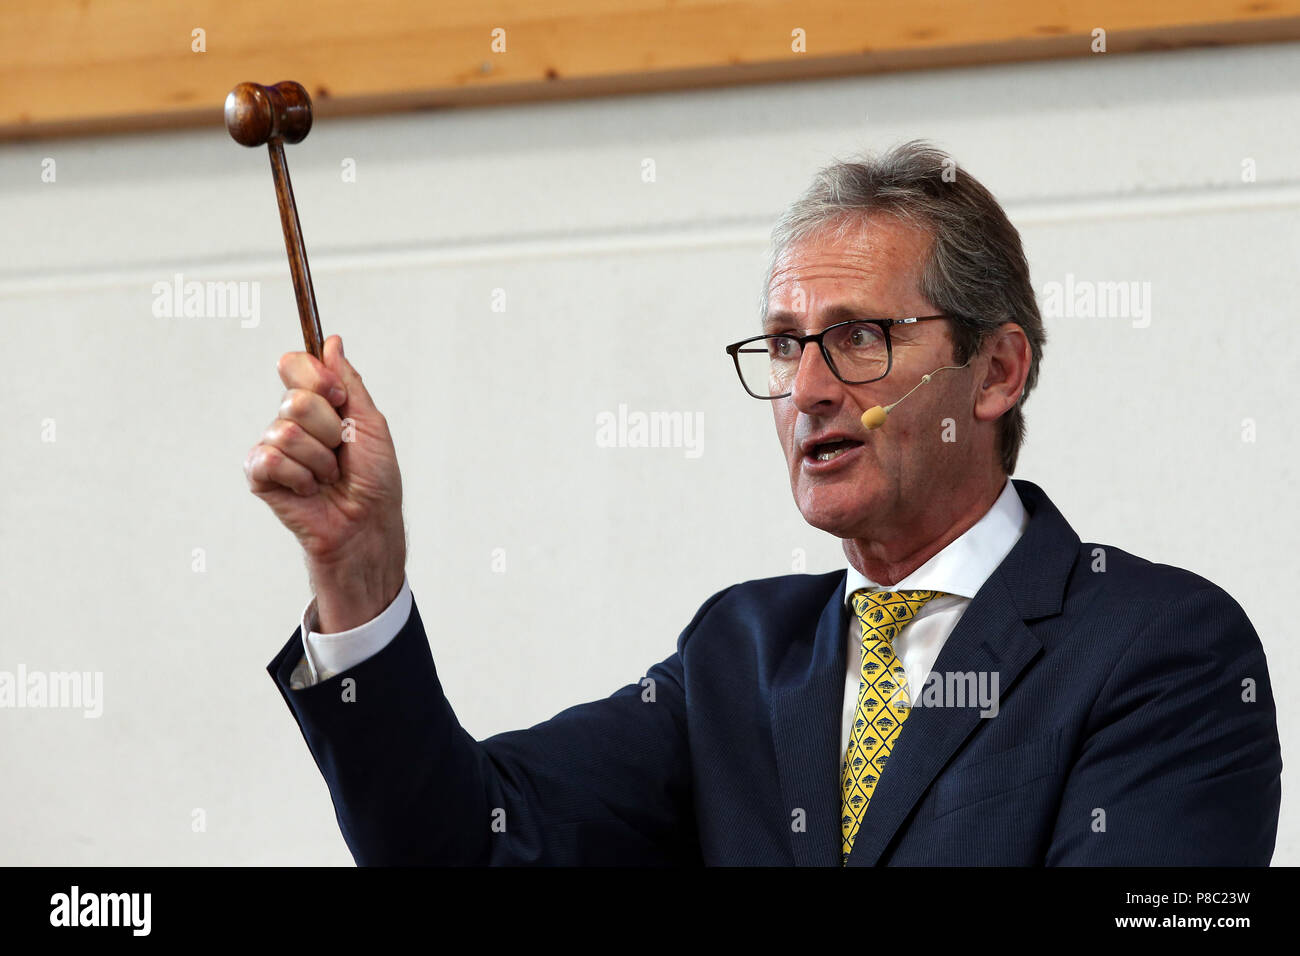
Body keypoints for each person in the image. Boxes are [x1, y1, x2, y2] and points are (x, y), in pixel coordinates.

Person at [247, 140, 1281, 865]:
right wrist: (358, 570)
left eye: (861, 336)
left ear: (997, 369)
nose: (808, 387)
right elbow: (465, 843)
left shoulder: (1161, 649)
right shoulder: (737, 656)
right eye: (785, 344)